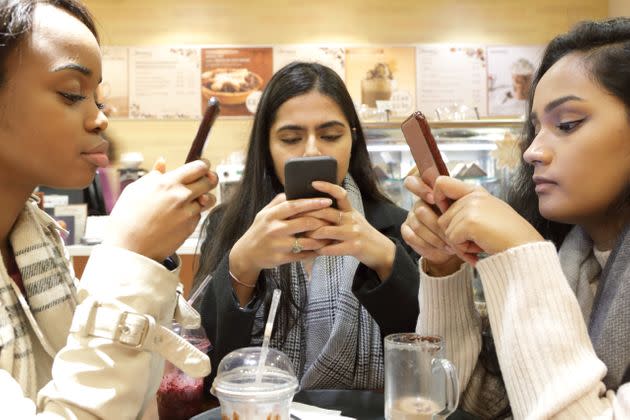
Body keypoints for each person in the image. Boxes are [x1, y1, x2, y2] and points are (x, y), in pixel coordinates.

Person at [402, 18, 630, 418]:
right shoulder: (574, 260)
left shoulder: (547, 260)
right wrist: (445, 265)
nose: (532, 151)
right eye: (534, 127)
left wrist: (523, 253)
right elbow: (451, 397)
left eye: (567, 124)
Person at [0, 0, 218, 417]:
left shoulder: (35, 240)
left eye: (97, 98)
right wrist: (129, 258)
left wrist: (151, 254)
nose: (100, 119)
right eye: (71, 93)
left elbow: (125, 394)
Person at [195, 62, 419, 390]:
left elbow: (423, 351)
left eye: (330, 135)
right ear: (267, 146)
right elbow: (203, 362)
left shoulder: (394, 226)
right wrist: (243, 264)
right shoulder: (229, 225)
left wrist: (385, 259)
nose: (312, 150)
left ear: (352, 140)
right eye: (290, 138)